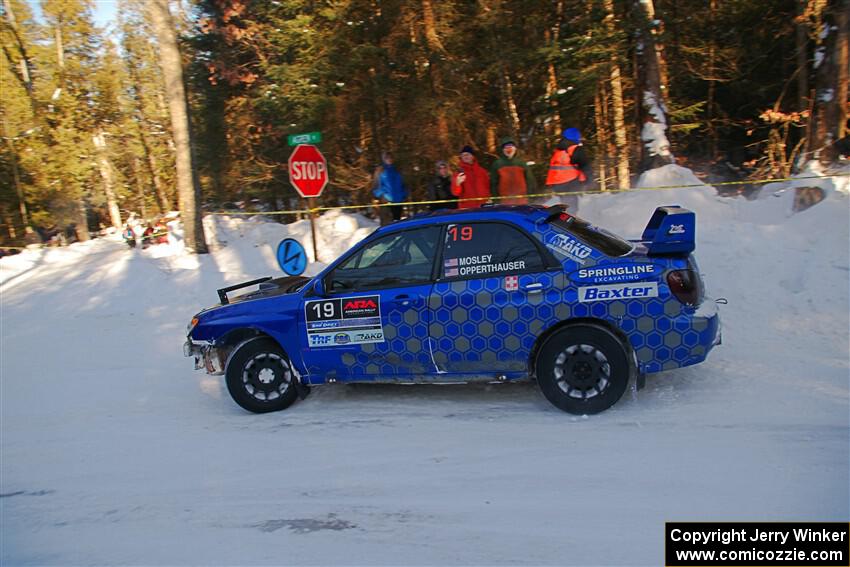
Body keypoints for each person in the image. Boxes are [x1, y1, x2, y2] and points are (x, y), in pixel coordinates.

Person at [545, 127, 591, 212]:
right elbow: (585, 165)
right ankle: (570, 222)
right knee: (572, 207)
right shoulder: (575, 149)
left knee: (566, 204)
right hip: (569, 182)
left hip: (556, 183)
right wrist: (589, 180)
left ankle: (564, 220)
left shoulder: (559, 149)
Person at [490, 136, 536, 205]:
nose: (508, 149)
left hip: (522, 201)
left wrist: (530, 197)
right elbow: (493, 184)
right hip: (504, 202)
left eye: (511, 147)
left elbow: (530, 181)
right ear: (503, 150)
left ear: (515, 149)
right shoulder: (497, 164)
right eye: (506, 147)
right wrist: (496, 200)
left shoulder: (521, 163)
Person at [372, 151, 409, 223]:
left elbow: (405, 184)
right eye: (387, 158)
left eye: (391, 157)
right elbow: (375, 187)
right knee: (388, 225)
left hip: (399, 201)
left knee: (397, 223)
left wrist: (404, 194)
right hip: (386, 202)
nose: (389, 159)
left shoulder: (397, 169)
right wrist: (383, 196)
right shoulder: (380, 170)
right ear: (383, 159)